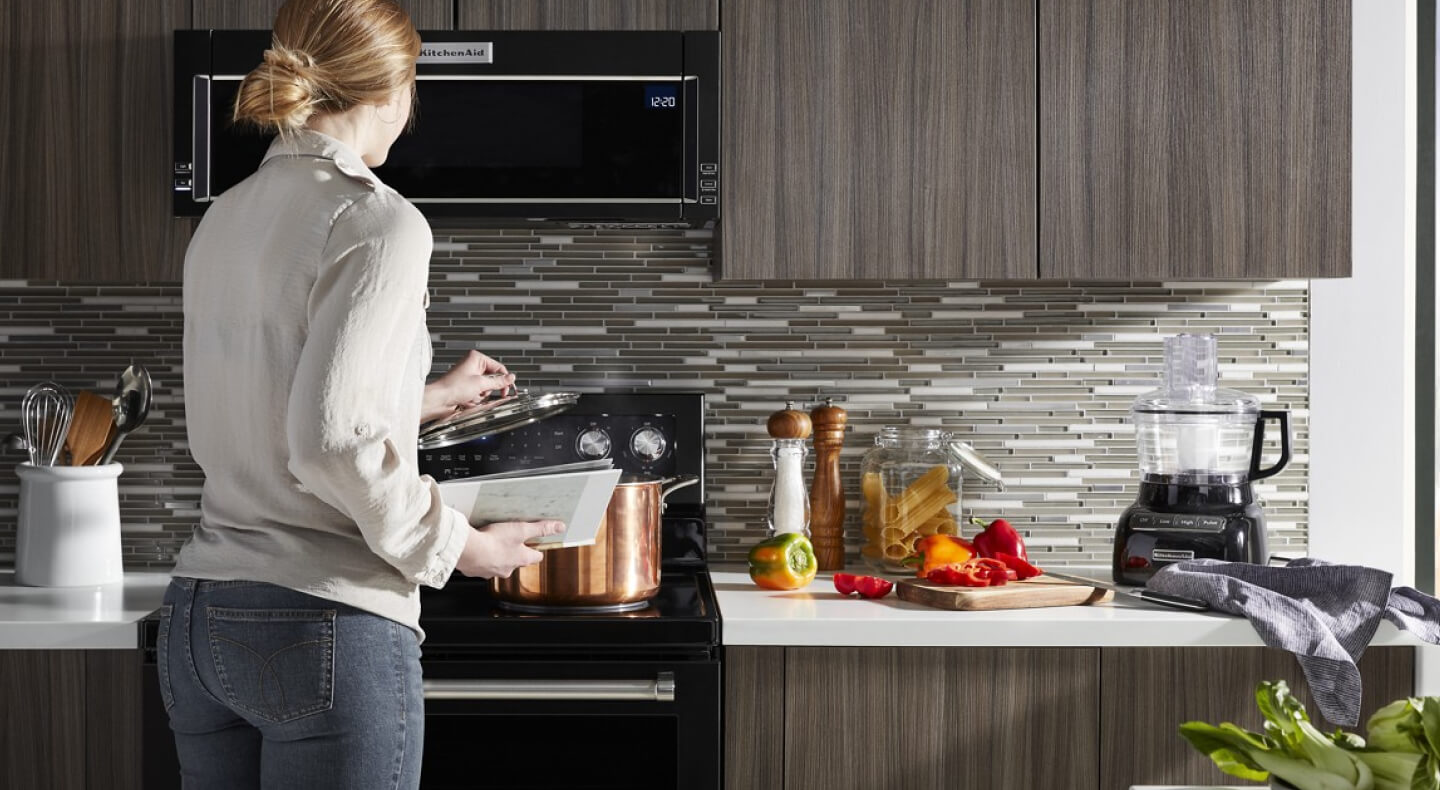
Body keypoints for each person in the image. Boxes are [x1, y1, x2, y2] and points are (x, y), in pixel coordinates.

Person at [157, 1, 561, 787]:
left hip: (201, 619)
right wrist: (465, 549)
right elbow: (330, 444)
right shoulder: (379, 221)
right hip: (323, 622)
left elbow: (263, 412)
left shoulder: (225, 216)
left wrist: (423, 396)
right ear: (396, 91)